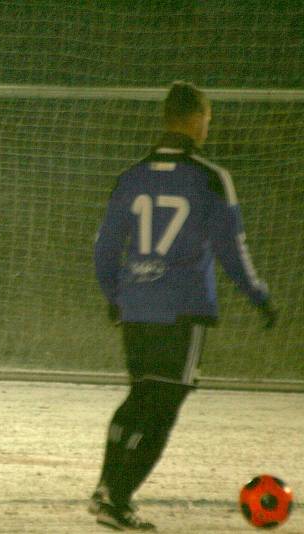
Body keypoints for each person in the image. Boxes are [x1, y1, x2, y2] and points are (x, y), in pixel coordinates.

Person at [89, 81, 277, 530]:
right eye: (207, 121)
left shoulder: (131, 175)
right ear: (197, 120)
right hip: (182, 307)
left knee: (142, 395)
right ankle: (116, 496)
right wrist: (258, 295)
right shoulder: (210, 177)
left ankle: (108, 488)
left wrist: (115, 294)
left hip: (137, 301)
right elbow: (231, 249)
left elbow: (104, 247)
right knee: (164, 404)